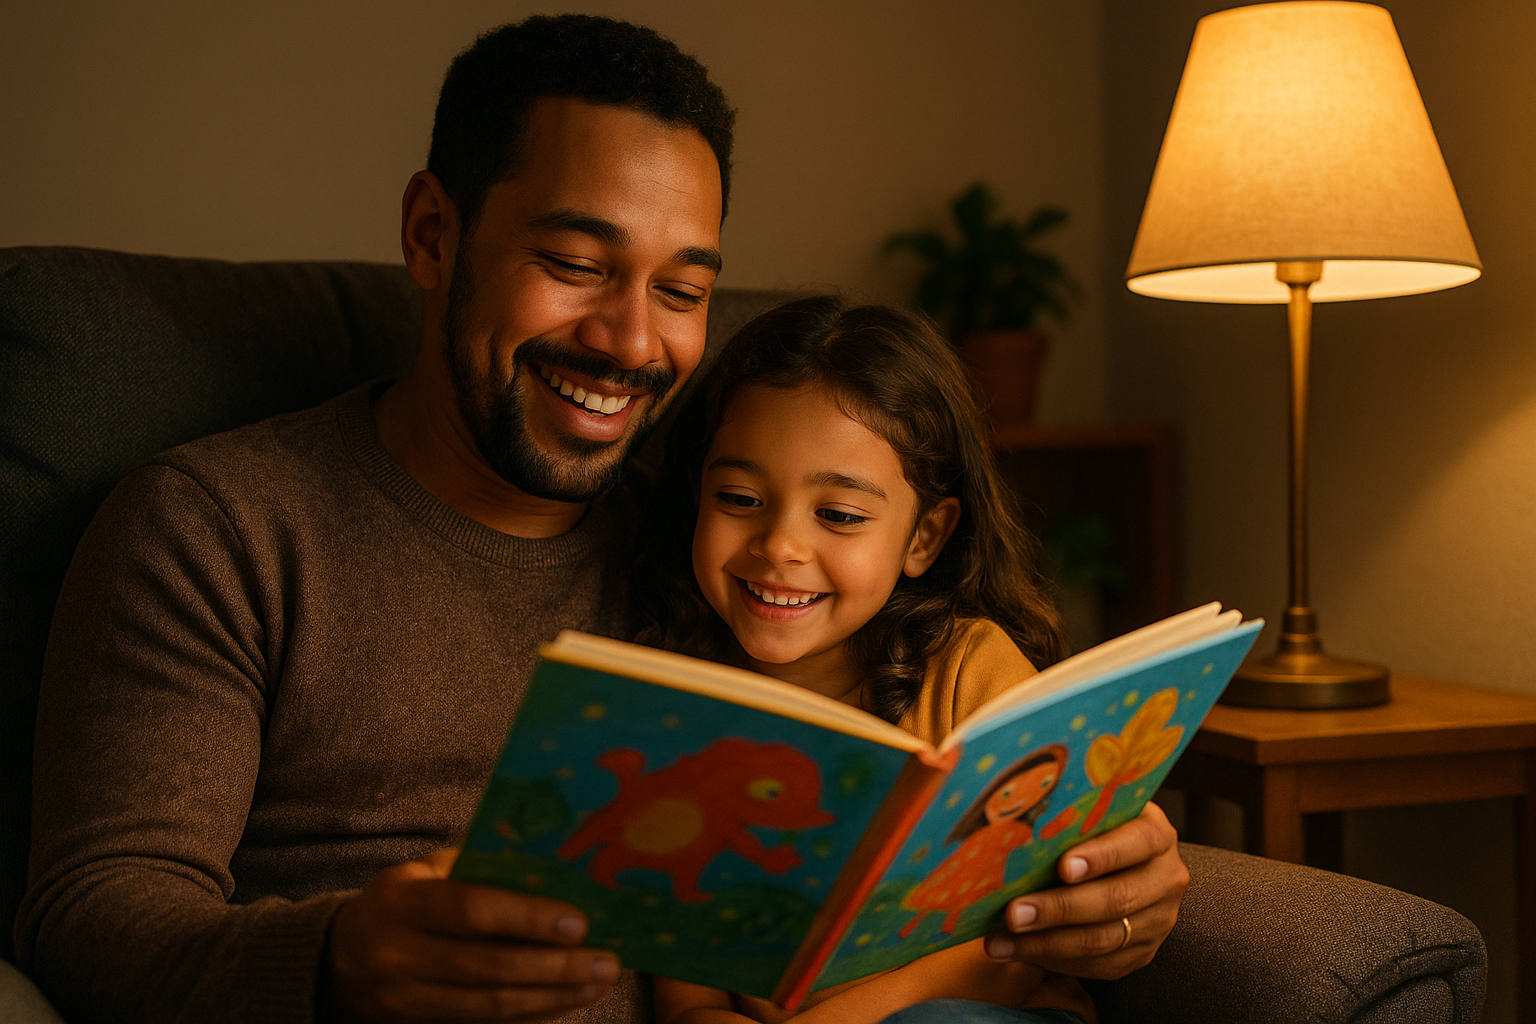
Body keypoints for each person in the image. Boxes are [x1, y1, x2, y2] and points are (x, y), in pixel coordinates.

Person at [15, 15, 1185, 1024]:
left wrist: (1111, 879)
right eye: (577, 261)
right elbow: (91, 914)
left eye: (682, 290)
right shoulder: (220, 529)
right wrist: (336, 961)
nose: (633, 342)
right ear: (433, 234)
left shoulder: (713, 539)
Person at [632, 296, 1173, 1024]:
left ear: (925, 536)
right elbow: (685, 991)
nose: (780, 546)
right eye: (739, 497)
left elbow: (1015, 944)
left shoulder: (969, 667)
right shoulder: (674, 707)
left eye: (841, 516)